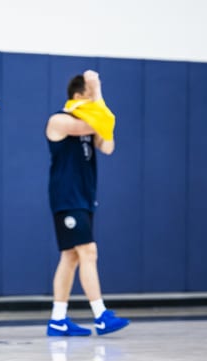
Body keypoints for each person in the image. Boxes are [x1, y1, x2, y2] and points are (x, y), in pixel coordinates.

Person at [45, 70, 129, 337]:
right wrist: (99, 94)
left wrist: (98, 98)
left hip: (84, 196)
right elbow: (101, 122)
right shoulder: (59, 120)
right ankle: (100, 314)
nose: (95, 102)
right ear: (79, 96)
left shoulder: (92, 121)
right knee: (88, 252)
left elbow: (108, 145)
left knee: (70, 257)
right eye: (90, 95)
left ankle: (58, 319)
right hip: (67, 197)